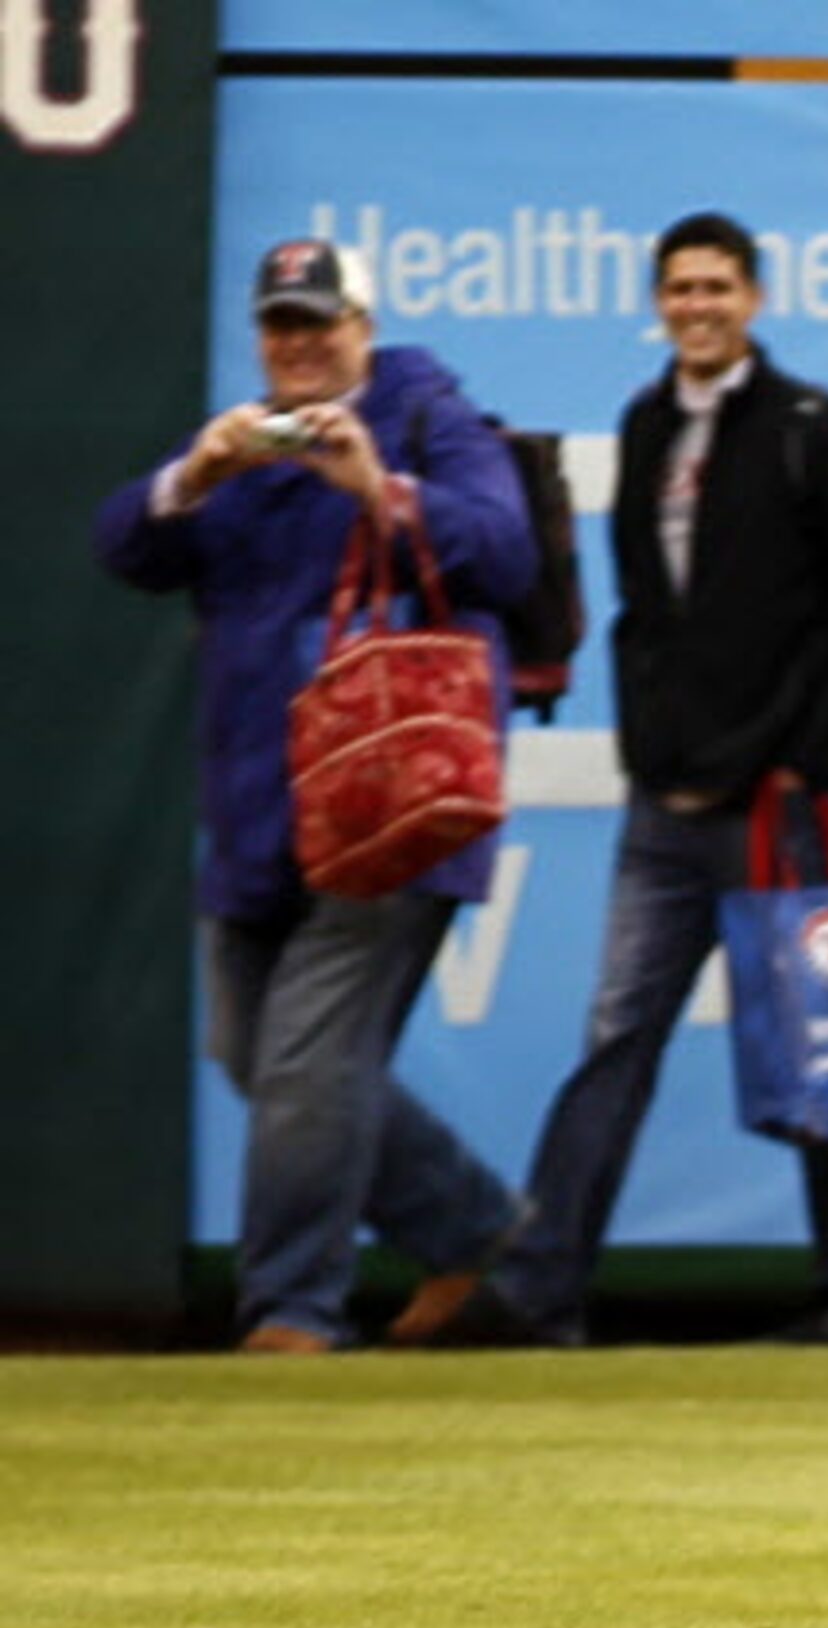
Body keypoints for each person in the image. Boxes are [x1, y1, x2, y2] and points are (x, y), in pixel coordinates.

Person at [416, 212, 828, 1349]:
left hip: (790, 802)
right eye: (678, 289)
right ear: (658, 303)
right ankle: (540, 1292)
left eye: (716, 287)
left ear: (755, 297)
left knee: (826, 1026)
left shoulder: (816, 430)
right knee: (617, 1035)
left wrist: (805, 758)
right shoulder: (644, 425)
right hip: (668, 806)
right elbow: (645, 615)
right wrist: (654, 749)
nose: (697, 306)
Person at [92, 238, 535, 1352]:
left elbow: (506, 554)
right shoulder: (244, 448)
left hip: (389, 804)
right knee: (256, 1054)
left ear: (363, 330)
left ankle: (291, 1311)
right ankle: (482, 1236)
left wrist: (376, 488)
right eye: (280, 324)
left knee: (307, 1063)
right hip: (257, 812)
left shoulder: (429, 420)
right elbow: (124, 548)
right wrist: (192, 477)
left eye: (319, 323)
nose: (298, 344)